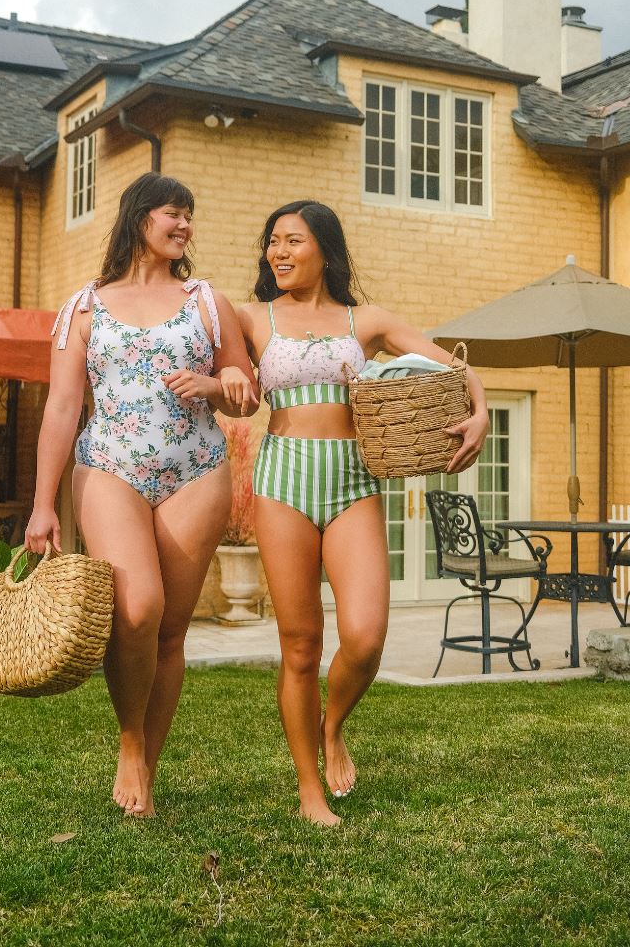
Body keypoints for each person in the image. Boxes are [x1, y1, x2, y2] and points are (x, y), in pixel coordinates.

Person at [237, 200, 489, 826]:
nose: (279, 252)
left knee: (366, 636)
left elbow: (453, 367)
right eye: (273, 242)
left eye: (293, 240)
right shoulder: (251, 316)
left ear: (324, 248)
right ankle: (308, 790)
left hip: (353, 480)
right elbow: (206, 348)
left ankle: (333, 727)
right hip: (282, 479)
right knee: (299, 647)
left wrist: (479, 411)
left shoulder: (364, 319)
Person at [25, 172, 258, 818]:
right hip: (109, 469)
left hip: (197, 468)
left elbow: (246, 391)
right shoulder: (83, 306)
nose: (183, 226)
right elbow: (64, 406)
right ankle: (130, 742)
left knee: (171, 632)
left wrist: (219, 385)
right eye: (172, 214)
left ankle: (146, 773)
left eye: (189, 217)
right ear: (138, 218)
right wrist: (44, 505)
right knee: (136, 611)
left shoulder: (208, 302)